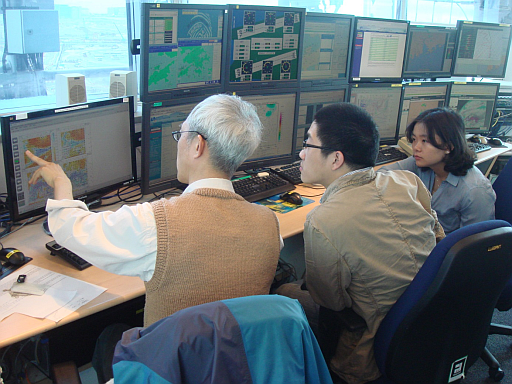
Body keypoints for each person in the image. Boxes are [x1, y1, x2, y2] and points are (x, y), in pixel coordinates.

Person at [26, 93, 282, 327]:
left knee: (109, 337)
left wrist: (61, 182)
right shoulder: (270, 225)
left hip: (169, 369)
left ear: (197, 145)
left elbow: (74, 230)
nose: (178, 143)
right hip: (238, 365)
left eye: (181, 135)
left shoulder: (156, 223)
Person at [282, 102, 444, 384]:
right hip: (435, 325)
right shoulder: (408, 182)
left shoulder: (323, 221)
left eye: (308, 143)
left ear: (335, 159)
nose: (301, 153)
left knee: (283, 291)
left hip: (369, 349)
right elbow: (440, 243)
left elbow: (330, 301)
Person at [381, 107, 495, 234]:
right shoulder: (421, 163)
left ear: (448, 146)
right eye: (414, 140)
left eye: (425, 141)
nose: (416, 147)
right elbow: (381, 174)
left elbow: (472, 245)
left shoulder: (475, 191)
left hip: (446, 250)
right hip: (423, 238)